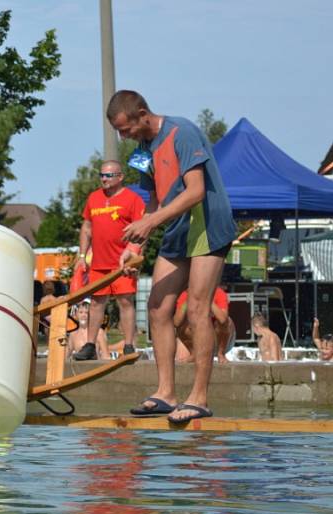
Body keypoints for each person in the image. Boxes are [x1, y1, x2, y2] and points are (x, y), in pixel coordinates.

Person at [109, 90, 237, 423]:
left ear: (142, 113)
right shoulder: (140, 152)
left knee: (196, 307)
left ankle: (200, 398)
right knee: (157, 306)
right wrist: (136, 244)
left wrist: (151, 220)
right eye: (120, 132)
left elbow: (195, 191)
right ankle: (166, 393)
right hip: (176, 225)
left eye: (126, 129)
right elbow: (152, 200)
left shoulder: (183, 132)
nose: (124, 137)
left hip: (207, 222)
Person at [74, 160, 144, 361]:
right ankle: (89, 345)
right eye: (102, 175)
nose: (104, 179)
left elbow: (142, 231)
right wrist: (82, 256)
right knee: (96, 303)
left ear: (120, 177)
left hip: (123, 264)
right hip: (98, 264)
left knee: (125, 302)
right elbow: (87, 228)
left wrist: (135, 258)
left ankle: (129, 345)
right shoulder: (94, 198)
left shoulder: (132, 199)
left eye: (108, 175)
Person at [174, 287, 235, 364]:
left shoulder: (218, 292)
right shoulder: (185, 295)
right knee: (181, 326)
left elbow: (223, 320)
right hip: (199, 332)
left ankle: (221, 353)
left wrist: (208, 301)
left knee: (227, 322)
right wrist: (186, 302)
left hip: (219, 336)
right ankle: (193, 354)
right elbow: (176, 322)